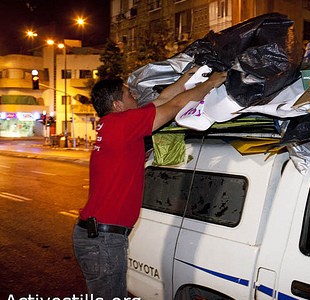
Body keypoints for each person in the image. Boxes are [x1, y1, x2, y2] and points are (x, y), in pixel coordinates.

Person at [72, 66, 226, 299]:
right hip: (104, 240)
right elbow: (174, 106)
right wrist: (211, 83)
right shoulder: (123, 125)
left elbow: (163, 99)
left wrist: (185, 80)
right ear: (117, 105)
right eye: (129, 94)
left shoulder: (113, 124)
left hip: (97, 235)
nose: (135, 96)